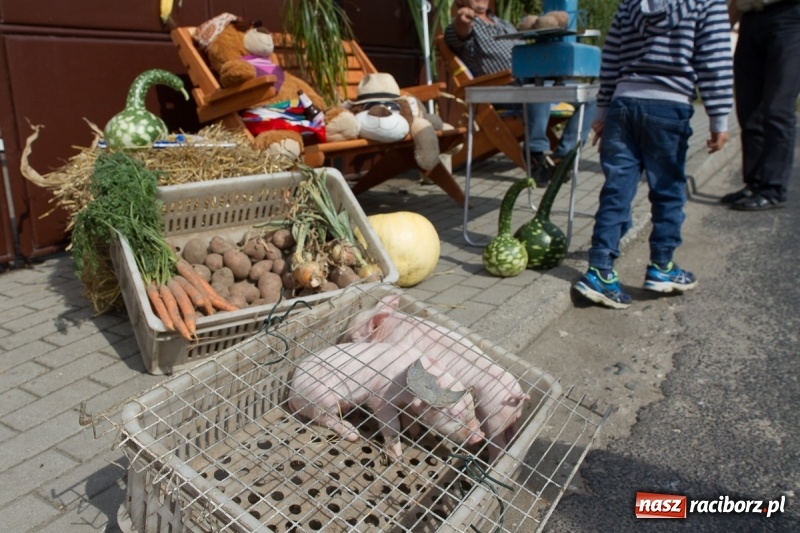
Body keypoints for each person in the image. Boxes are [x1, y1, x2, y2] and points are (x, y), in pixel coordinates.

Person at [574, 0, 733, 309]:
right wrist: (719, 118)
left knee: (616, 189)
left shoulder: (630, 4)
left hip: (623, 104)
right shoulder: (706, 3)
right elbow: (714, 60)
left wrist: (603, 109)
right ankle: (662, 266)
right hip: (669, 106)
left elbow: (611, 58)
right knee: (668, 192)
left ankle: (600, 270)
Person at [443, 0, 594, 186]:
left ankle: (563, 157)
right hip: (502, 88)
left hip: (531, 79)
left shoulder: (502, 23)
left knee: (589, 96)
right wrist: (463, 21)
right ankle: (535, 154)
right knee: (536, 87)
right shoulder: (461, 26)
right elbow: (460, 31)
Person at [720, 0, 800, 210]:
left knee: (777, 109)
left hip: (791, 17)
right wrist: (720, 31)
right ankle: (754, 183)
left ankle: (772, 189)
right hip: (750, 18)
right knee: (748, 109)